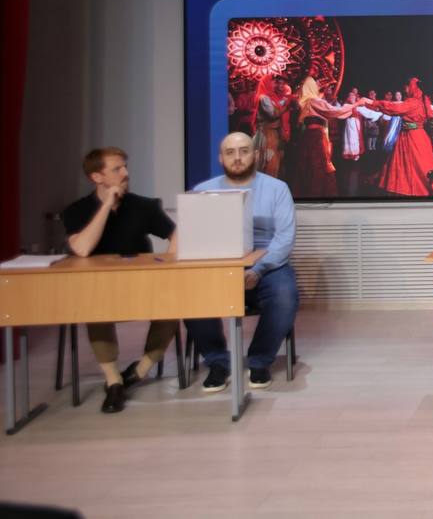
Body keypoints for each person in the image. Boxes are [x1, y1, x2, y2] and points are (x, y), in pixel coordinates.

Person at [61, 147, 178, 413]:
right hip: (100, 290)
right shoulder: (76, 211)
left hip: (142, 284)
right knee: (94, 306)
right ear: (96, 177)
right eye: (117, 169)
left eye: (125, 167)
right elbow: (82, 249)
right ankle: (113, 381)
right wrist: (106, 206)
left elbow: (176, 235)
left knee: (173, 305)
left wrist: (167, 266)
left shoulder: (144, 206)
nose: (125, 173)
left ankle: (139, 371)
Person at [184, 132, 299, 392]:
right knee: (190, 295)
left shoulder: (277, 189)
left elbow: (284, 238)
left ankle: (259, 361)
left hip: (266, 266)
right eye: (230, 152)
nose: (237, 158)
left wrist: (257, 270)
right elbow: (196, 238)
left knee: (285, 296)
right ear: (220, 158)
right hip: (218, 268)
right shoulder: (203, 191)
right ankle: (218, 362)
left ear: (255, 155)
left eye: (244, 151)